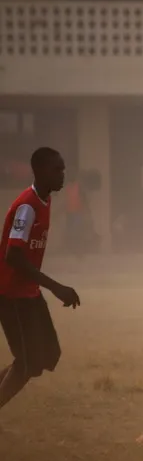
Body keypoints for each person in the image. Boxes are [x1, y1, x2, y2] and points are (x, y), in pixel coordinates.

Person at [0, 147, 81, 413]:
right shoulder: (27, 207)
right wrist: (57, 288)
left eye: (63, 169)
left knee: (48, 355)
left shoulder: (45, 201)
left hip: (29, 292)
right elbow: (13, 256)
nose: (62, 174)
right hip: (11, 293)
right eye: (57, 169)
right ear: (41, 171)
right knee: (28, 363)